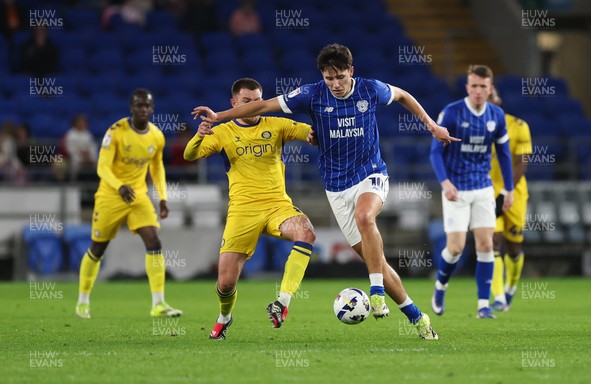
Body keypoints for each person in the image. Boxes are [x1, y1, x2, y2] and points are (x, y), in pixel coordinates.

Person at [192, 44, 459, 340]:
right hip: (336, 186)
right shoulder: (311, 94)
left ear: (351, 72)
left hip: (371, 173)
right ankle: (417, 318)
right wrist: (219, 116)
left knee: (365, 218)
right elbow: (261, 106)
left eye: (341, 78)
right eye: (329, 78)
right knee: (377, 262)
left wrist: (432, 125)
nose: (335, 84)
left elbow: (404, 95)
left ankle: (376, 293)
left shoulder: (371, 90)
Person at [184, 78, 316, 339]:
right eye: (247, 101)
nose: (254, 106)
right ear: (234, 103)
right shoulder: (221, 132)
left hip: (277, 205)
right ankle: (225, 316)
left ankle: (283, 302)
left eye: (258, 101)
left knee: (307, 232)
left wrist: (316, 134)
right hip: (242, 210)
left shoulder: (277, 125)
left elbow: (308, 133)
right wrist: (198, 137)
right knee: (225, 284)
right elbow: (190, 156)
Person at [75, 89, 182, 319]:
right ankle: (83, 301)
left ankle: (159, 303)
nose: (143, 109)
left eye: (147, 106)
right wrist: (119, 186)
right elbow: (101, 167)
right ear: (131, 108)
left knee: (154, 241)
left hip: (138, 197)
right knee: (97, 248)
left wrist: (163, 197)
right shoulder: (116, 132)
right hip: (110, 195)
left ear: (152, 109)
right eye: (138, 105)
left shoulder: (156, 136)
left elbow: (157, 167)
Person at [429, 65, 514, 319]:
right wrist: (444, 182)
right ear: (468, 88)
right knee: (455, 248)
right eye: (474, 86)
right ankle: (440, 286)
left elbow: (505, 154)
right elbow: (435, 152)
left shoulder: (497, 116)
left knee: (486, 244)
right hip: (456, 189)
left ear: (490, 89)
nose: (478, 91)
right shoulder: (452, 113)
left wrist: (508, 188)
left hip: (483, 188)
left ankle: (483, 305)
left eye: (483, 86)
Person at [488, 89, 532, 312]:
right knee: (493, 241)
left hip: (514, 192)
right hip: (487, 192)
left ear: (499, 99)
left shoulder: (519, 126)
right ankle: (499, 298)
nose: (489, 96)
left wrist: (506, 190)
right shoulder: (474, 128)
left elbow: (521, 162)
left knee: (514, 246)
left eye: (493, 93)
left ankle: (510, 287)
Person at [64, 114, 98, 181]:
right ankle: (74, 181)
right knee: (75, 165)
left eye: (83, 122)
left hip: (89, 159)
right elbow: (70, 149)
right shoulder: (71, 134)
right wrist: (81, 155)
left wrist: (89, 156)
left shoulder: (88, 134)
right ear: (75, 123)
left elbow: (92, 147)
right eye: (80, 122)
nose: (82, 124)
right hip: (77, 159)